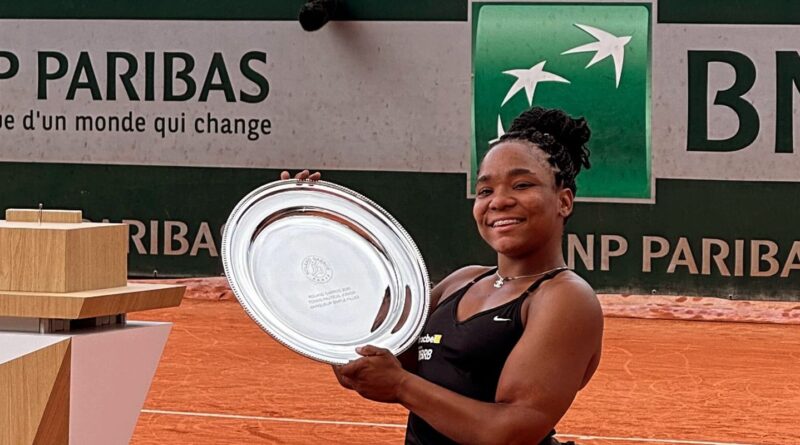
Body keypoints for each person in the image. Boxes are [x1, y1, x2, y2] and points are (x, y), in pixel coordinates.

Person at [282, 106, 603, 445]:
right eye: (485, 190)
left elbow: (511, 431)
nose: (499, 201)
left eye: (521, 185)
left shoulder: (565, 298)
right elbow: (362, 364)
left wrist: (402, 386)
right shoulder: (460, 282)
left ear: (563, 202)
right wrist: (310, 241)